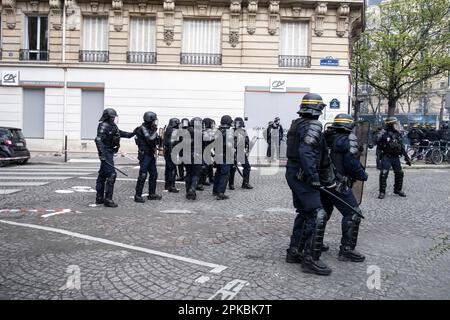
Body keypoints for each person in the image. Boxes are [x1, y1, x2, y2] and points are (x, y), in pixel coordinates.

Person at [285, 93, 333, 276]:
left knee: (305, 212)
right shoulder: (313, 125)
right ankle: (310, 259)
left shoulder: (297, 123)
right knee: (317, 213)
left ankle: (294, 251)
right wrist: (313, 176)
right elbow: (306, 151)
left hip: (294, 172)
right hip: (303, 175)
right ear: (317, 109)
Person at [322, 114, 368, 262]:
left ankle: (312, 243)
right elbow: (351, 163)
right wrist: (362, 174)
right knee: (353, 213)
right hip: (339, 184)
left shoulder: (326, 137)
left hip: (323, 183)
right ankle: (347, 249)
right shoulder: (349, 139)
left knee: (322, 213)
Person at [94, 108, 135, 207]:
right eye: (113, 117)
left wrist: (133, 133)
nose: (114, 119)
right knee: (112, 174)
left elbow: (122, 133)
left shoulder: (113, 126)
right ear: (108, 118)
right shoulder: (103, 126)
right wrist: (102, 155)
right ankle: (108, 199)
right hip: (106, 153)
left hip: (110, 153)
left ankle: (99, 198)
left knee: (103, 175)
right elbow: (98, 139)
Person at [377, 117, 412, 199]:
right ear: (390, 124)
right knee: (383, 174)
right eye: (395, 124)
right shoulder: (383, 133)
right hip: (386, 156)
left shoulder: (397, 133)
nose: (397, 125)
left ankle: (398, 189)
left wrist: (407, 158)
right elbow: (377, 142)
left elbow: (401, 147)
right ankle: (382, 192)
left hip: (395, 157)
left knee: (399, 173)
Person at [134, 111, 162, 202]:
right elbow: (150, 139)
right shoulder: (142, 128)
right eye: (153, 120)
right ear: (149, 120)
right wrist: (155, 132)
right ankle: (138, 195)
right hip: (144, 155)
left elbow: (155, 141)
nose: (154, 122)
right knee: (143, 175)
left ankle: (152, 194)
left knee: (154, 174)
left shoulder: (150, 128)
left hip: (150, 154)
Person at [212, 115, 234, 200]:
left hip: (218, 155)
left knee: (218, 173)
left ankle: (215, 191)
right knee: (225, 174)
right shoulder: (228, 132)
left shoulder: (218, 131)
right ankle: (220, 193)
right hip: (225, 156)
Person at [229, 117, 253, 190]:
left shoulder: (244, 131)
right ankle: (231, 184)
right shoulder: (231, 131)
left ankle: (245, 183)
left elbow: (247, 141)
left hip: (241, 152)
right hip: (233, 152)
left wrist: (247, 150)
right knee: (232, 168)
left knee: (247, 167)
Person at [184, 117, 203, 200]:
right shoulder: (199, 133)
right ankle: (192, 189)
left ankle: (188, 191)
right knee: (196, 173)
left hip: (186, 155)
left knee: (188, 173)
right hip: (196, 155)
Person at [164, 118, 181, 193]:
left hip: (167, 152)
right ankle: (172, 186)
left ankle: (167, 185)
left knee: (168, 168)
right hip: (171, 151)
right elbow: (172, 142)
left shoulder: (167, 129)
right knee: (173, 169)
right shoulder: (175, 131)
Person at [200, 118, 216, 187]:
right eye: (212, 123)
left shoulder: (208, 131)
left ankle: (210, 179)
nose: (213, 125)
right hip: (202, 151)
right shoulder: (203, 131)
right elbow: (208, 140)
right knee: (204, 166)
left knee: (209, 165)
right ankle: (202, 181)